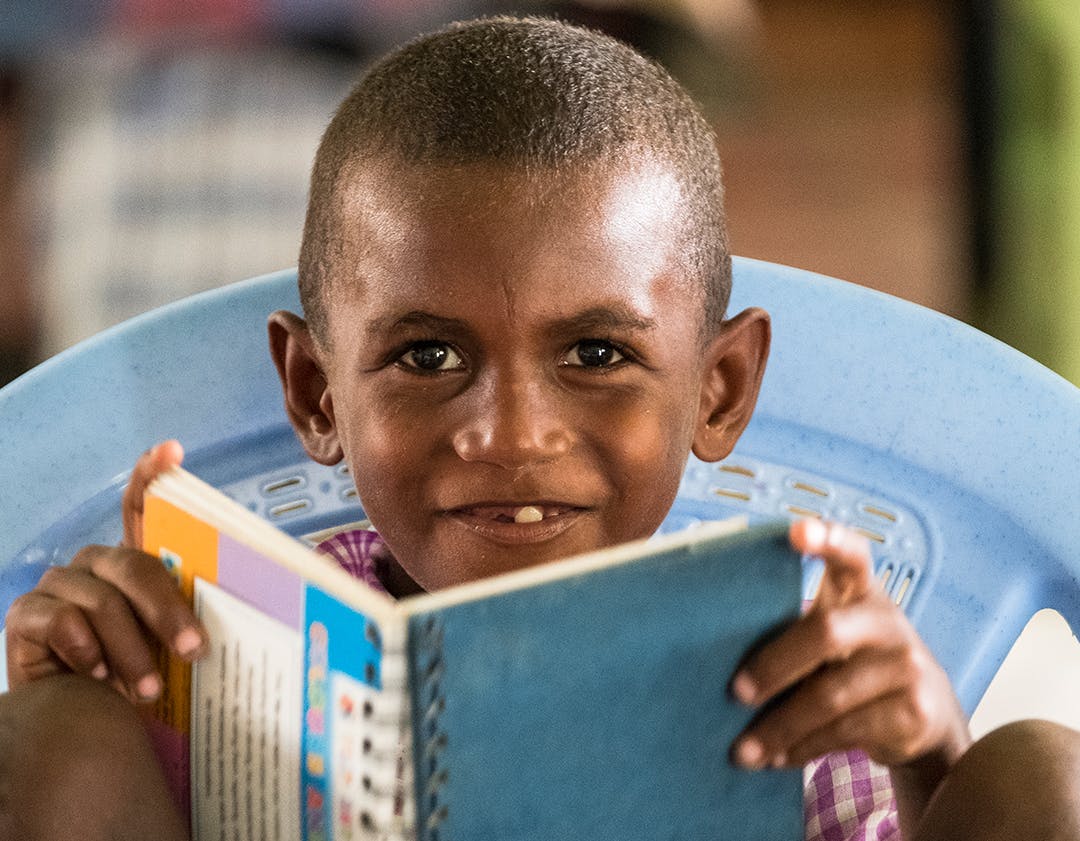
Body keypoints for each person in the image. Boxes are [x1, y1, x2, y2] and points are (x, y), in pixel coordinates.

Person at [2, 16, 1079, 841]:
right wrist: (76, 693)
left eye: (597, 355)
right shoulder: (228, 639)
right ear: (317, 393)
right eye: (427, 357)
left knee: (1041, 776)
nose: (509, 433)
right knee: (52, 741)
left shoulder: (796, 660)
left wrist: (934, 761)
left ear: (719, 387)